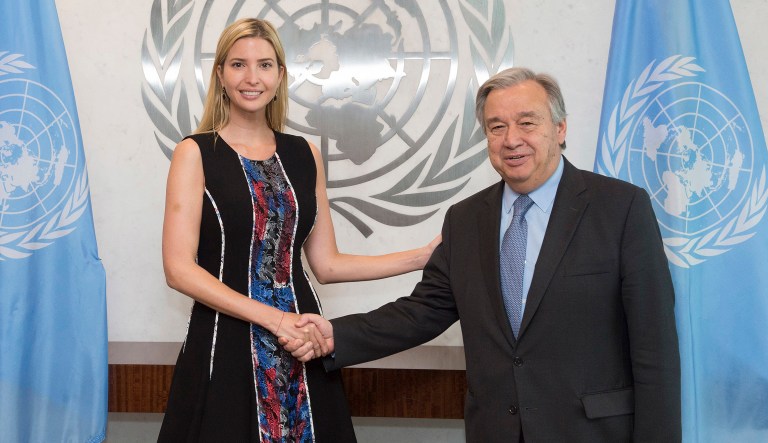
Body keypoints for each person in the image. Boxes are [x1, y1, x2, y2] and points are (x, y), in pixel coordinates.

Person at [283, 67, 682, 442]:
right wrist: (335, 336)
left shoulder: (620, 208)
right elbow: (421, 312)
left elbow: (654, 348)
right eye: (497, 127)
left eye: (527, 122)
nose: (511, 139)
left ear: (560, 129)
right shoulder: (466, 219)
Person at [158, 18, 439, 442]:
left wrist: (422, 257)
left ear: (281, 75)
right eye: (238, 64)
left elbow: (326, 265)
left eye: (265, 65)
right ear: (220, 73)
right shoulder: (195, 152)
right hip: (227, 341)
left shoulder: (304, 153)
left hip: (303, 345)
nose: (252, 78)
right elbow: (179, 269)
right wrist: (274, 320)